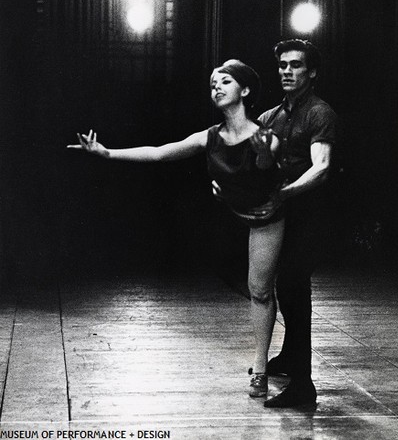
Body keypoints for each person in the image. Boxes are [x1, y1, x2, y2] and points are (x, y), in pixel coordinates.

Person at [68, 59, 285, 399]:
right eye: (213, 82)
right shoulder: (210, 137)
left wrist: (260, 160)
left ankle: (260, 369)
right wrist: (107, 153)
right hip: (230, 215)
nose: (216, 87)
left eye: (225, 81)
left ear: (244, 90)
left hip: (264, 217)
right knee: (239, 281)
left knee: (259, 290)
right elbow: (158, 154)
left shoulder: (264, 138)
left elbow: (265, 175)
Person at [258, 39, 337, 408]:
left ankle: (304, 386)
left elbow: (320, 169)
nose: (287, 71)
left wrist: (285, 193)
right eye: (282, 65)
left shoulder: (320, 113)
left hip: (311, 216)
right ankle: (289, 358)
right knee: (280, 287)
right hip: (280, 215)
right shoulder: (270, 117)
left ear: (312, 72)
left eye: (296, 65)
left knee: (293, 288)